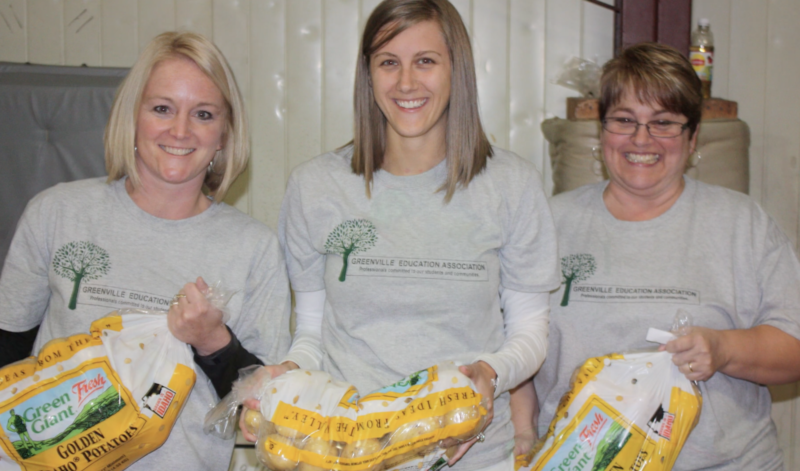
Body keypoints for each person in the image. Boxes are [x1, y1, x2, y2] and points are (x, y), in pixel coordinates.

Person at [240, 1, 559, 470]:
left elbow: (531, 333)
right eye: (388, 62)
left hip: (472, 455)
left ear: (457, 69)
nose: (406, 83)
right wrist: (286, 373)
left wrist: (491, 372)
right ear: (368, 76)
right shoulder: (316, 186)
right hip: (348, 450)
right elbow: (311, 334)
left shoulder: (512, 185)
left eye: (425, 61)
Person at [0, 32, 292, 470]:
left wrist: (213, 342)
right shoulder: (56, 213)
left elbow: (263, 409)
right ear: (132, 116)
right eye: (161, 108)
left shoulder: (253, 247)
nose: (180, 130)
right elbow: (7, 353)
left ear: (224, 134)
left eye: (203, 114)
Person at [520, 42, 800, 470]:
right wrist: (523, 438)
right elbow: (512, 348)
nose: (641, 139)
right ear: (601, 129)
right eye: (624, 120)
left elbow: (794, 347)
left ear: (692, 139)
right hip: (577, 461)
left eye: (663, 123)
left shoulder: (743, 224)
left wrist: (723, 349)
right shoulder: (550, 223)